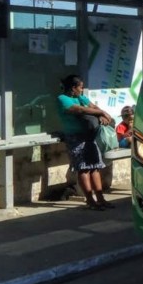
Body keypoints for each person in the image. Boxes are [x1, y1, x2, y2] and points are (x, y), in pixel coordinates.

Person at [57, 74, 114, 211]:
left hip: (90, 136)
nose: (82, 90)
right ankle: (90, 200)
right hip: (76, 138)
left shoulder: (80, 97)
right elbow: (79, 109)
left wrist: (101, 114)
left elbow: (91, 106)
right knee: (84, 168)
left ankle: (100, 199)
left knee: (95, 167)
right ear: (73, 88)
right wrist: (99, 112)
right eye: (80, 88)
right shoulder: (63, 99)